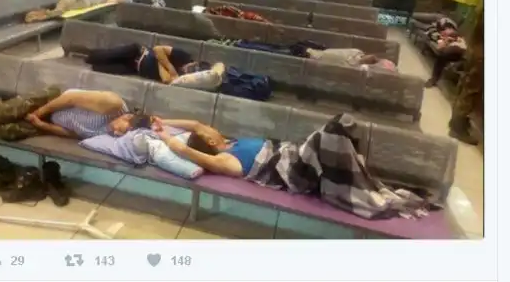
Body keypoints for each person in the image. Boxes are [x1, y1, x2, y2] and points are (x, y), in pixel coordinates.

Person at [151, 116, 433, 219]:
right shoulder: (226, 161)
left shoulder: (230, 142)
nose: (210, 128)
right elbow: (184, 150)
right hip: (295, 173)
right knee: (331, 131)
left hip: (297, 156)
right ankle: (365, 193)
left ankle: (361, 182)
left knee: (340, 128)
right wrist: (165, 138)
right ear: (211, 143)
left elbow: (196, 124)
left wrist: (161, 120)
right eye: (209, 133)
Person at [0, 90, 149, 140]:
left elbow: (73, 134)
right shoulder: (113, 105)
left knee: (4, 131)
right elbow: (70, 98)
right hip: (51, 101)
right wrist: (38, 113)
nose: (118, 134)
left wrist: (41, 125)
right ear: (127, 117)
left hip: (49, 120)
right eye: (122, 130)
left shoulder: (109, 134)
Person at [85, 44, 226, 88]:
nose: (186, 69)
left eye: (191, 71)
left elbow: (166, 79)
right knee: (100, 56)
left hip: (135, 69)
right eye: (191, 66)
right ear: (194, 62)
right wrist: (170, 67)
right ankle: (89, 55)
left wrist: (160, 59)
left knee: (98, 69)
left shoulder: (182, 79)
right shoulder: (184, 56)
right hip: (138, 53)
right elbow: (158, 48)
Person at [447, 10, 484, 145]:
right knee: (470, 91)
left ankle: (457, 122)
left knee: (466, 88)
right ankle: (457, 127)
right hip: (480, 55)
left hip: (476, 52)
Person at [424, 17, 467, 87]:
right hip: (450, 53)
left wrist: (455, 39)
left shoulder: (456, 34)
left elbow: (463, 46)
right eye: (444, 30)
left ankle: (434, 79)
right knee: (441, 57)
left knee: (445, 54)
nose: (447, 31)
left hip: (460, 50)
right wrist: (446, 41)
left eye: (449, 29)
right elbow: (439, 48)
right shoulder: (441, 37)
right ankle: (434, 79)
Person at [306, 48, 397, 71]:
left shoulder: (361, 67)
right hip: (351, 58)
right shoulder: (357, 52)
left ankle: (310, 53)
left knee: (322, 55)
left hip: (351, 63)